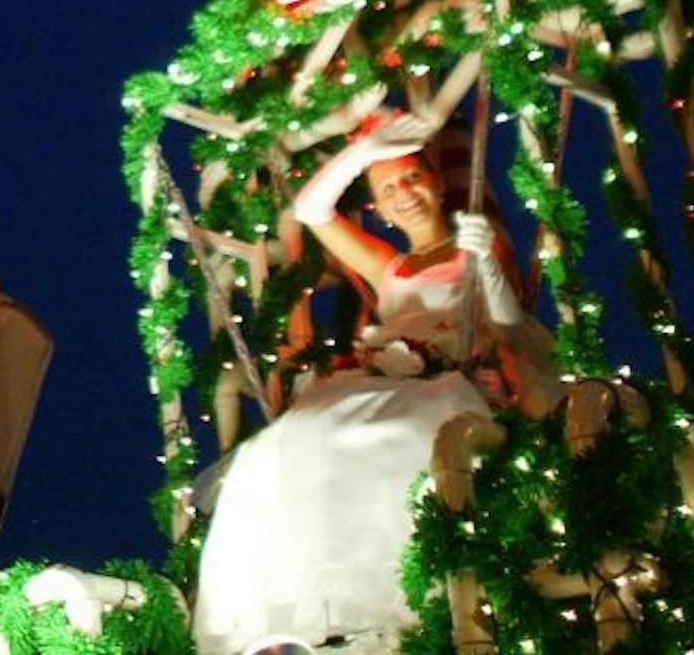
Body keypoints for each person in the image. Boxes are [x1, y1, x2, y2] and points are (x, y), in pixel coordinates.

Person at [191, 111, 555, 655]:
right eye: (389, 189)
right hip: (381, 379)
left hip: (453, 380)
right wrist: (365, 152)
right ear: (380, 210)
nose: (404, 193)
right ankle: (285, 604)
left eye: (412, 178)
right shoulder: (391, 266)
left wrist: (485, 262)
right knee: (279, 446)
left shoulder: (475, 241)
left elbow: (506, 322)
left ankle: (402, 599)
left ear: (434, 183)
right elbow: (312, 210)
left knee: (400, 435)